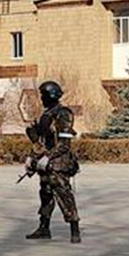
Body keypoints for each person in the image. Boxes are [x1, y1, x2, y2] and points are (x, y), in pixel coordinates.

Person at [24, 80, 82, 243]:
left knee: (64, 194)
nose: (41, 98)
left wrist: (48, 157)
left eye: (44, 95)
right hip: (45, 163)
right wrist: (32, 156)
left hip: (59, 163)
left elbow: (64, 144)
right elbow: (40, 141)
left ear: (52, 95)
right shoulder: (46, 114)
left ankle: (75, 230)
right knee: (46, 195)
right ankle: (44, 228)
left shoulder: (63, 113)